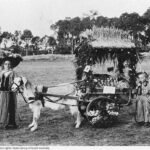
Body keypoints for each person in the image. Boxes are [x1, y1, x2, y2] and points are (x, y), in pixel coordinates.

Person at [0, 58, 18, 129]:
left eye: (9, 64)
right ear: (3, 65)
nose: (7, 65)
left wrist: (14, 88)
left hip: (10, 92)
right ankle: (2, 122)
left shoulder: (13, 73)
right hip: (2, 92)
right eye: (6, 64)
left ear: (11, 65)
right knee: (2, 107)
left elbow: (17, 81)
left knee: (11, 107)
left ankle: (11, 123)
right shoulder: (1, 72)